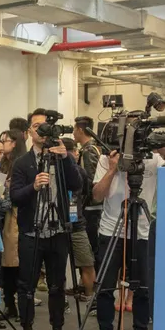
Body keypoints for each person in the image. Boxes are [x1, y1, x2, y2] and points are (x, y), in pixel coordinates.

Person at [9, 111, 83, 330]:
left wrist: (67, 158)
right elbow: (15, 198)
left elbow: (78, 185)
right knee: (26, 286)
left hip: (58, 230)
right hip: (32, 232)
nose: (41, 131)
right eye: (36, 126)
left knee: (57, 285)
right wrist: (33, 186)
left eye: (45, 126)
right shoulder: (22, 163)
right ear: (29, 132)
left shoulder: (61, 158)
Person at [91, 138, 164, 330]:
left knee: (142, 286)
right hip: (111, 230)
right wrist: (113, 169)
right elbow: (97, 194)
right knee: (105, 287)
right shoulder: (106, 158)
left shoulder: (154, 159)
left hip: (141, 231)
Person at [0, 130, 26, 321]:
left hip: (15, 216)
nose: (1, 144)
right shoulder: (1, 163)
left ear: (14, 143)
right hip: (1, 215)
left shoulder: (22, 164)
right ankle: (9, 303)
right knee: (4, 264)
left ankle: (20, 303)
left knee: (15, 263)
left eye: (4, 141)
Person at [72, 118, 103, 299]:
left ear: (80, 130)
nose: (74, 133)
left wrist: (82, 201)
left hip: (91, 208)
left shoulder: (89, 151)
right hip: (91, 207)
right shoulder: (91, 148)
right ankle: (85, 285)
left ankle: (92, 288)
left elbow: (90, 182)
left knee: (90, 250)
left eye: (75, 129)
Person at [62, 138, 96, 301]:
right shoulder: (54, 171)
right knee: (57, 266)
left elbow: (87, 194)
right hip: (58, 224)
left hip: (77, 223)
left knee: (86, 261)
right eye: (74, 151)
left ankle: (89, 294)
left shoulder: (80, 172)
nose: (77, 154)